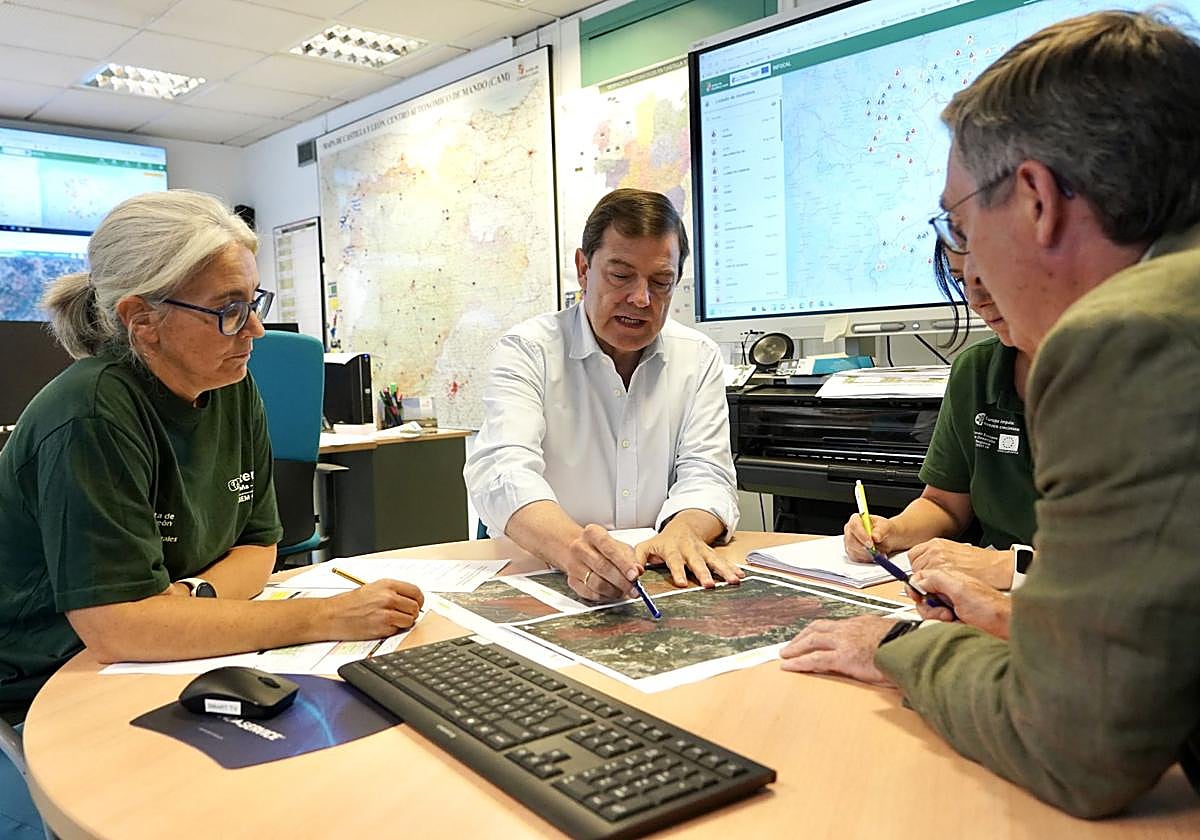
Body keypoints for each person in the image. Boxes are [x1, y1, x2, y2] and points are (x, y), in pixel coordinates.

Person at [780, 10, 1200, 817]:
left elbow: (1072, 747)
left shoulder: (1127, 334)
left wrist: (908, 647)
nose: (969, 270)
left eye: (962, 226)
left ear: (1037, 200)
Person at [0, 191, 425, 726]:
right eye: (228, 310)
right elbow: (117, 629)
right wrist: (324, 617)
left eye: (253, 302)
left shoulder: (229, 382)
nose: (256, 331)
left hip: (165, 655)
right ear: (142, 319)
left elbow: (259, 547)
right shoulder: (91, 413)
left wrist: (187, 603)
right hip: (47, 684)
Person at [465, 188, 742, 601]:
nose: (641, 298)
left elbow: (708, 473)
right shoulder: (529, 350)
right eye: (620, 275)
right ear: (583, 268)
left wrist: (682, 533)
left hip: (656, 581)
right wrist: (575, 551)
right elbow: (503, 471)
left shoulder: (697, 357)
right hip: (546, 575)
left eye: (661, 282)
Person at [842, 239, 1036, 589]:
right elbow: (945, 504)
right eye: (963, 282)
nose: (976, 301)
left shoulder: (1129, 372)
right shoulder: (976, 371)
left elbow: (1141, 556)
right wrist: (893, 531)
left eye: (989, 276)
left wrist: (1014, 565)